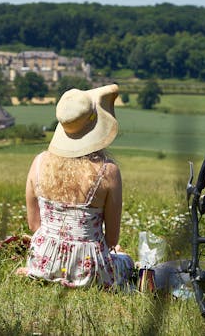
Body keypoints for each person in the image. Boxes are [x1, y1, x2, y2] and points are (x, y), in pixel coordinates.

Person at [18, 84, 134, 289]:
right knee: (126, 261)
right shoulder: (107, 172)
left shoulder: (39, 162)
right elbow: (112, 239)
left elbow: (34, 225)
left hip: (42, 264)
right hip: (88, 271)